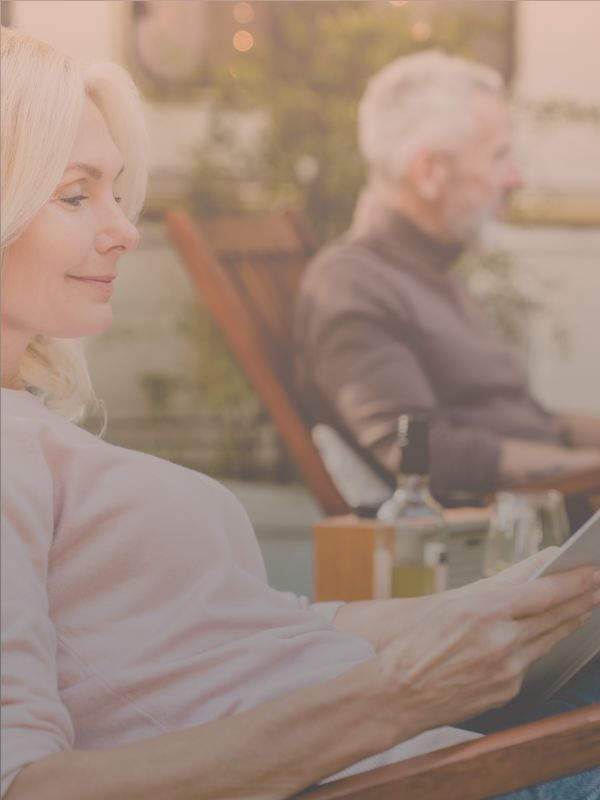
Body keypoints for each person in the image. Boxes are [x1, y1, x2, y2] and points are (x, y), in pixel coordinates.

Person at [1, 28, 599, 800]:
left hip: (439, 745)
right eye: (75, 195)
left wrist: (508, 599)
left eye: (116, 193)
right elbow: (26, 787)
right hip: (438, 770)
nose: (122, 230)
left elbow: (267, 631)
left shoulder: (37, 427)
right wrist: (400, 696)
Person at [294, 50, 600, 505]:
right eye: (499, 156)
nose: (514, 178)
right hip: (510, 532)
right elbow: (421, 454)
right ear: (430, 173)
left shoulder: (426, 270)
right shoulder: (350, 283)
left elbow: (535, 423)